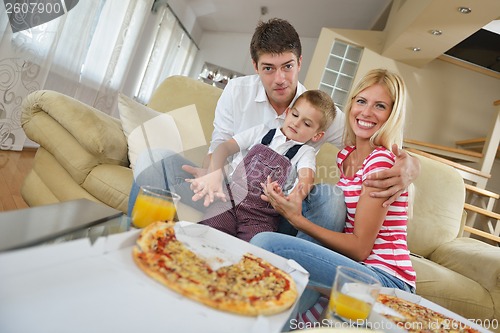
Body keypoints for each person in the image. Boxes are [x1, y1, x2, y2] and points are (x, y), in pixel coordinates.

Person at [127, 18, 420, 233]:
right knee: (154, 160)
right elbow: (222, 144)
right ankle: (135, 245)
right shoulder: (237, 92)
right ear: (255, 67)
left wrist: (410, 166)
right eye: (268, 68)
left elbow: (373, 134)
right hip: (226, 193)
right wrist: (212, 175)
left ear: (299, 62)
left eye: (288, 67)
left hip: (274, 211)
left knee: (332, 199)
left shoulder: (318, 112)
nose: (280, 78)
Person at [251, 68, 416, 328]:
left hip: (383, 280)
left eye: (380, 106)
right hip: (350, 267)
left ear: (392, 115)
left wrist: (297, 220)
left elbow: (361, 248)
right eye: (361, 101)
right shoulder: (346, 156)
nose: (366, 112)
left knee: (267, 244)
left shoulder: (382, 162)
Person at [188, 90, 336, 241]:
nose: (296, 123)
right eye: (295, 115)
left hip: (261, 218)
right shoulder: (261, 131)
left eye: (306, 123)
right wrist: (213, 174)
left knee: (254, 248)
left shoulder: (305, 152)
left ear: (317, 135)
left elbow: (307, 178)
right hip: (229, 201)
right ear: (287, 112)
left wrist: (294, 198)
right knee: (208, 231)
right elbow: (224, 148)